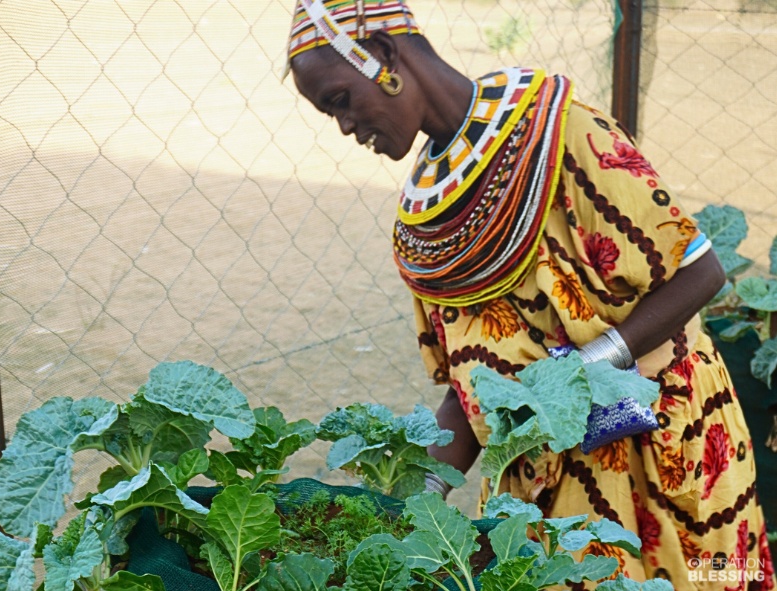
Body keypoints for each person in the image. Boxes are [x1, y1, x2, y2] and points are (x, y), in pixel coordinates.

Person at [285, 0, 775, 587]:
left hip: (662, 442)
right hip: (538, 487)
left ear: (385, 56)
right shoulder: (422, 223)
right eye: (327, 112)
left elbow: (699, 271)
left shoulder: (560, 128)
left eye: (340, 99)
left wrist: (583, 371)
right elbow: (472, 391)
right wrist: (416, 499)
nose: (343, 126)